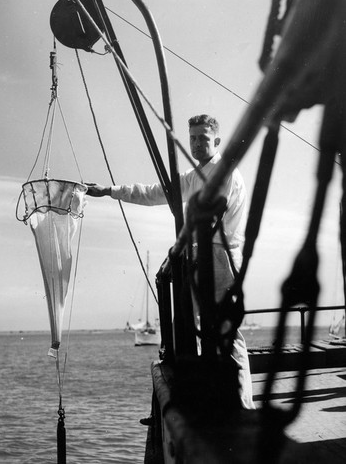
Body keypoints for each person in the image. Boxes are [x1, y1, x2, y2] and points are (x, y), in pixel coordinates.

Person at [86, 114, 255, 409]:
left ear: (216, 140)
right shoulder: (196, 175)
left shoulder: (223, 172)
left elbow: (212, 217)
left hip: (220, 256)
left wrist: (184, 244)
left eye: (204, 138)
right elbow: (157, 192)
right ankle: (217, 398)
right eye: (192, 138)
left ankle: (242, 405)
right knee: (195, 328)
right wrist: (111, 191)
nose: (197, 143)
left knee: (226, 332)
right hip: (202, 255)